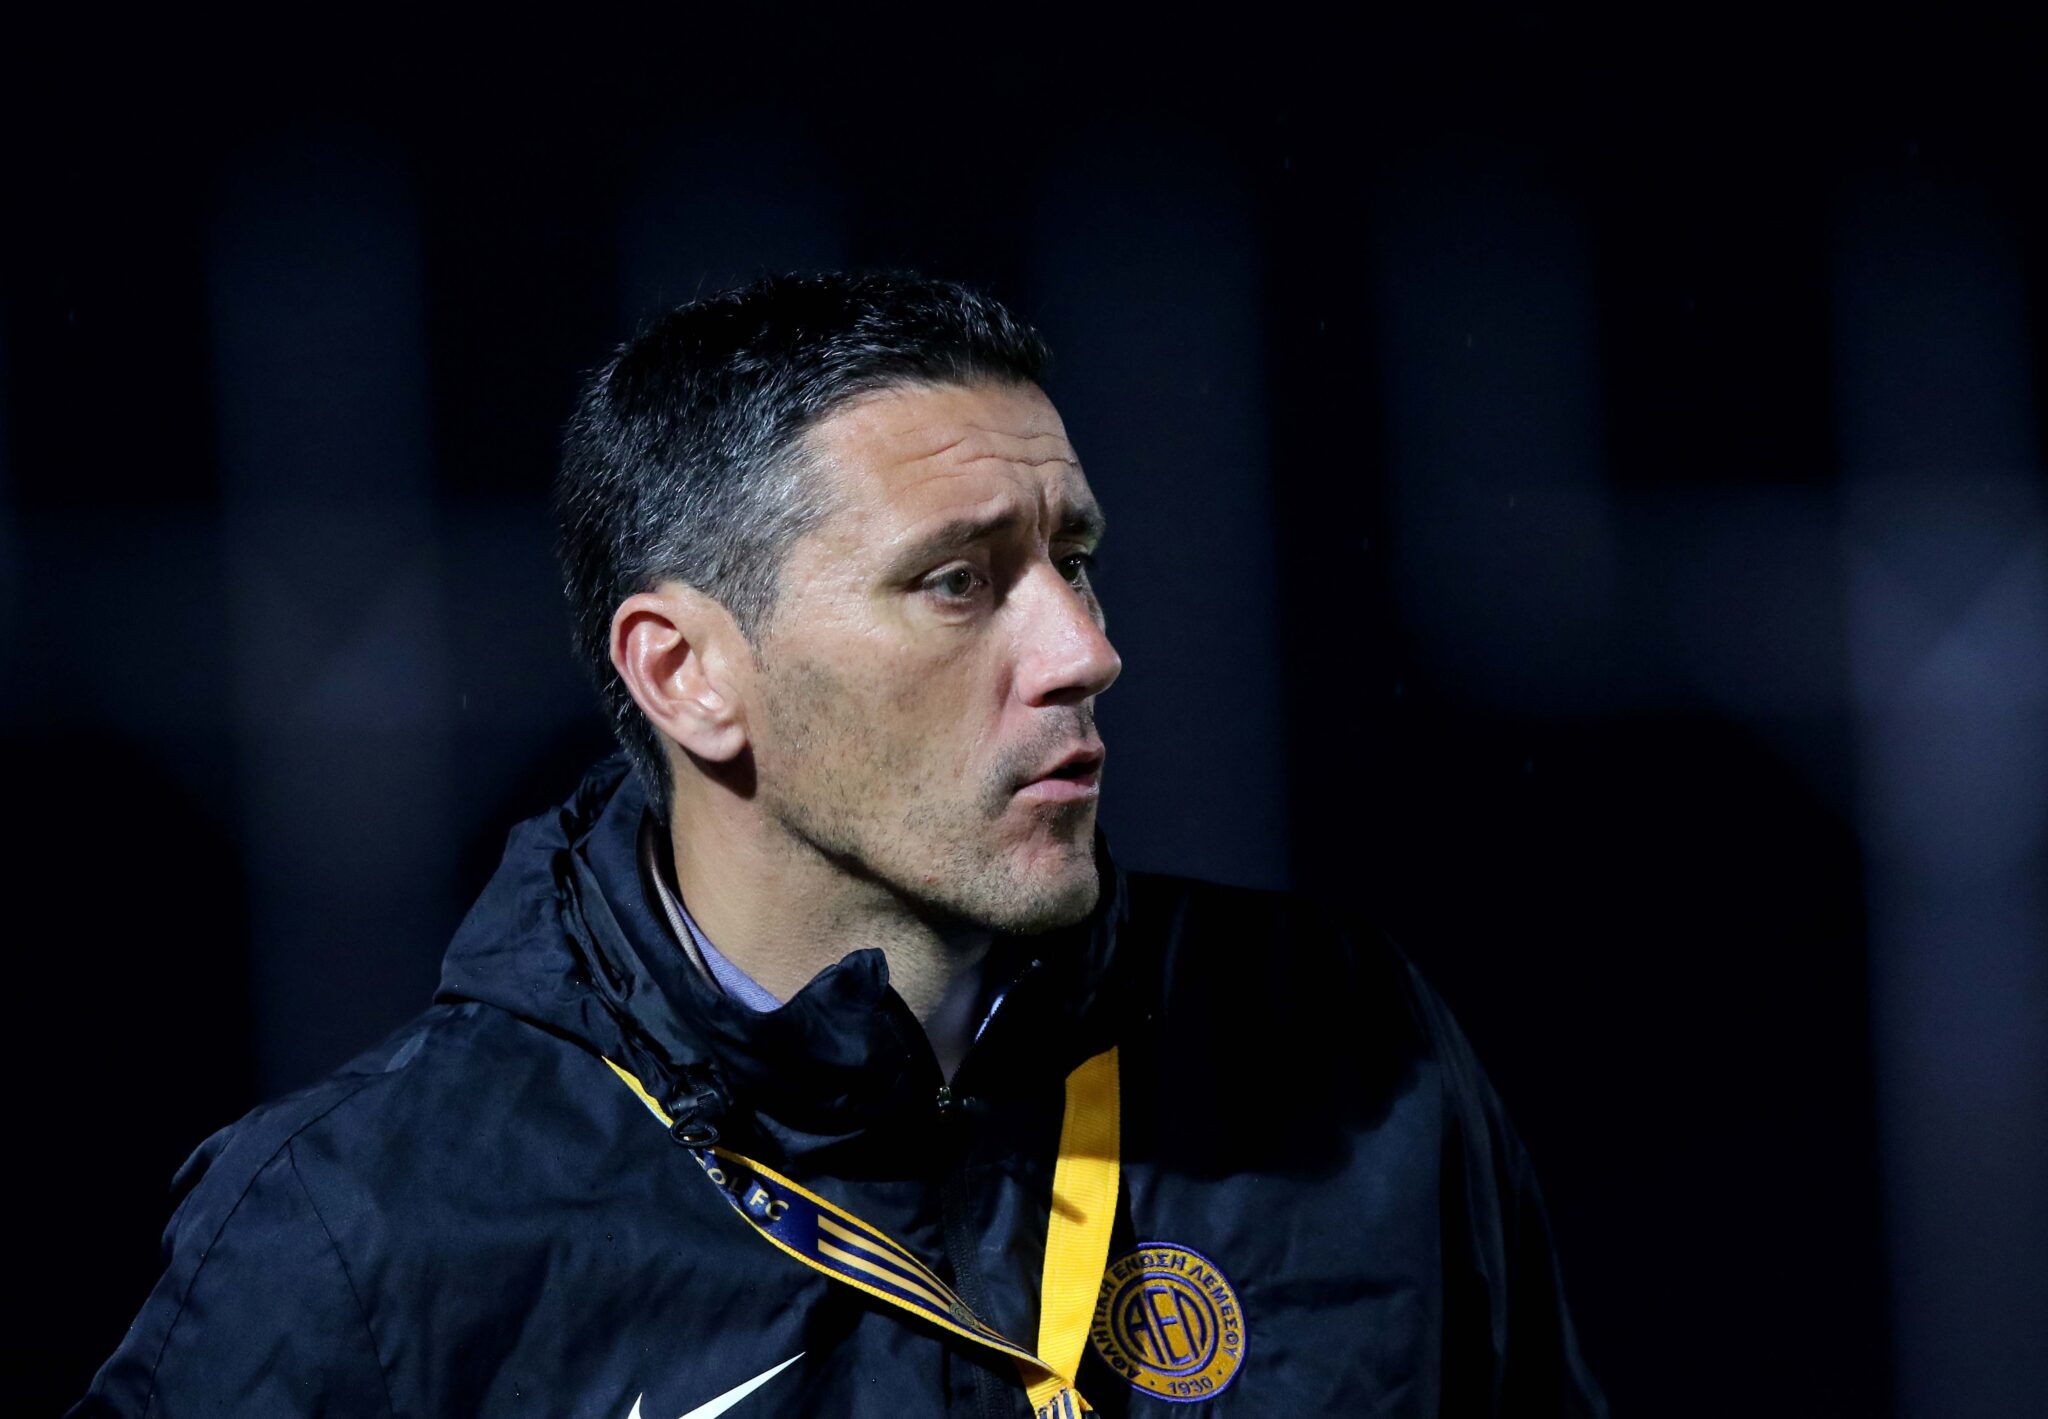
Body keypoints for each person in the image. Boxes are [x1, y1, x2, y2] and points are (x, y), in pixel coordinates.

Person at [74, 271, 1606, 1417]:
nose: (1084, 650)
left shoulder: (1347, 1051)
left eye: (1073, 560)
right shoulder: (367, 1228)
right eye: (958, 581)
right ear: (688, 673)